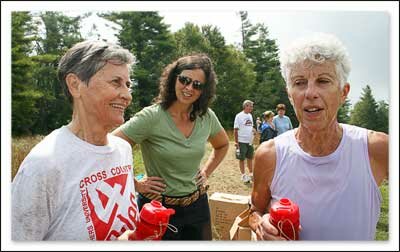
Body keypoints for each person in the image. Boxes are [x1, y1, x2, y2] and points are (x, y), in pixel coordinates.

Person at [249, 33, 388, 240]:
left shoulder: (376, 148)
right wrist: (260, 223)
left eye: (323, 81)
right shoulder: (269, 155)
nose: (310, 93)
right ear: (289, 94)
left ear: (343, 92)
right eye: (299, 82)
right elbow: (254, 210)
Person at [12, 40, 139, 240]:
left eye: (128, 85)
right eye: (116, 82)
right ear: (75, 85)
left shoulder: (123, 150)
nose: (127, 95)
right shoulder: (43, 165)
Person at [112, 53, 229, 240]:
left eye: (197, 85)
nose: (189, 87)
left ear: (203, 90)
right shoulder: (151, 117)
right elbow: (111, 147)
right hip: (157, 210)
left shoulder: (206, 117)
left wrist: (206, 172)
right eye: (184, 80)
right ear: (173, 79)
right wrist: (135, 184)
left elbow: (222, 145)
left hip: (197, 206)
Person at [233, 100, 256, 183]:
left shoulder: (250, 115)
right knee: (242, 158)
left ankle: (251, 174)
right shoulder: (239, 116)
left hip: (249, 141)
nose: (252, 108)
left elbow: (250, 126)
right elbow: (235, 129)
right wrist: (236, 142)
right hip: (241, 140)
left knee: (250, 157)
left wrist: (253, 130)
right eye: (250, 106)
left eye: (252, 106)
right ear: (246, 106)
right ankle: (243, 175)